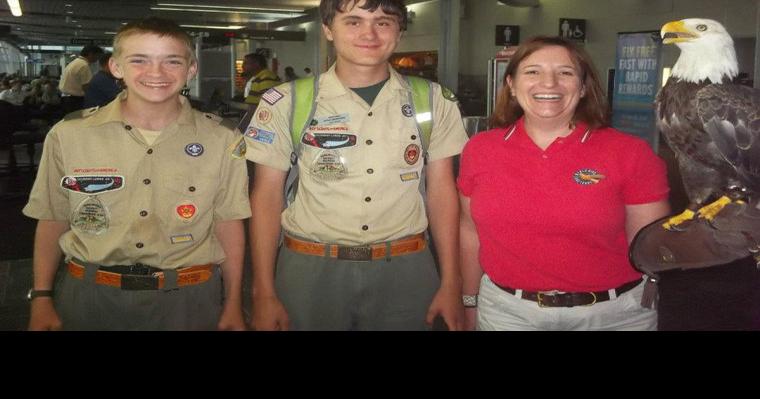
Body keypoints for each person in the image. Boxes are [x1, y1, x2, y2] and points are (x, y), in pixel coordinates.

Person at [244, 0, 468, 331]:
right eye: (353, 22)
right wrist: (262, 290)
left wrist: (452, 282)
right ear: (327, 30)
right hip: (309, 271)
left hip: (407, 271)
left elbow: (441, 193)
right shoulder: (288, 101)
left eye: (383, 22)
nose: (369, 33)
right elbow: (266, 197)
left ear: (399, 32)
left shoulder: (434, 101)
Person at [23, 17, 250, 331]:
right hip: (91, 297)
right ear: (116, 67)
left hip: (189, 300)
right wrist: (42, 296)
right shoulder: (69, 135)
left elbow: (229, 223)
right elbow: (52, 216)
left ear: (191, 70)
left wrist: (234, 302)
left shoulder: (223, 139)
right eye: (139, 60)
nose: (156, 73)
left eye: (172, 61)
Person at [458, 36, 671, 331]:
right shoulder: (480, 149)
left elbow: (650, 249)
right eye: (533, 71)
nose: (549, 83)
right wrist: (470, 301)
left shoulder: (630, 153)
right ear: (510, 83)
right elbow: (470, 232)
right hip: (507, 315)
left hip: (613, 316)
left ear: (583, 87)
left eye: (565, 72)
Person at [59, 44, 104, 114]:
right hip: (75, 100)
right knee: (78, 122)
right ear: (91, 54)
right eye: (97, 56)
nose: (97, 59)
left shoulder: (75, 62)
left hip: (66, 98)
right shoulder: (84, 65)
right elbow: (86, 87)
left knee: (71, 121)